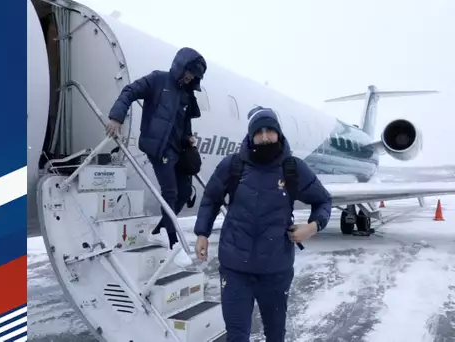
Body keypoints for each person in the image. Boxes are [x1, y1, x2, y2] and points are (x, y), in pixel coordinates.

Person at [192, 107, 332, 342]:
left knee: (275, 335)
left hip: (276, 271)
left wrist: (312, 226)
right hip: (235, 268)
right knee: (237, 336)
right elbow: (211, 199)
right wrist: (202, 233)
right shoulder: (233, 165)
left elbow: (323, 200)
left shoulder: (293, 168)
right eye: (259, 132)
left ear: (279, 134)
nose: (265, 137)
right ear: (250, 135)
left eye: (270, 131)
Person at [105, 47, 208, 267]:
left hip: (178, 150)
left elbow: (185, 122)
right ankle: (171, 241)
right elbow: (129, 91)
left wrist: (189, 138)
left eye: (194, 76)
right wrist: (117, 117)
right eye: (188, 72)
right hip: (158, 148)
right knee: (169, 192)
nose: (190, 77)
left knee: (183, 193)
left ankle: (160, 228)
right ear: (180, 65)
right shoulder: (158, 80)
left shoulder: (187, 94)